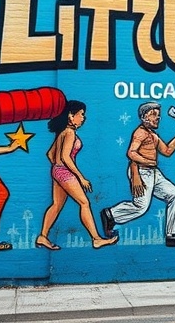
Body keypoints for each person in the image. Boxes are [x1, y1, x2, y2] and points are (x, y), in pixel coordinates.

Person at [100, 102, 175, 247]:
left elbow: (167, 151)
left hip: (153, 173)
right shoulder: (140, 133)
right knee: (141, 207)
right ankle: (111, 214)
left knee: (174, 193)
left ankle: (174, 235)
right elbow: (131, 153)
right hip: (142, 172)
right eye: (153, 114)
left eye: (158, 115)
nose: (158, 117)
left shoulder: (153, 135)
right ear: (144, 117)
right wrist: (140, 171)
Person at [37, 100, 117, 250]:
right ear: (71, 115)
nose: (83, 118)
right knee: (84, 203)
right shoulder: (70, 133)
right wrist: (81, 178)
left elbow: (50, 154)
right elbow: (66, 157)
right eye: (81, 114)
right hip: (65, 173)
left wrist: (57, 167)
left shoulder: (62, 132)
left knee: (56, 205)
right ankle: (96, 239)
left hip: (57, 171)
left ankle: (43, 236)